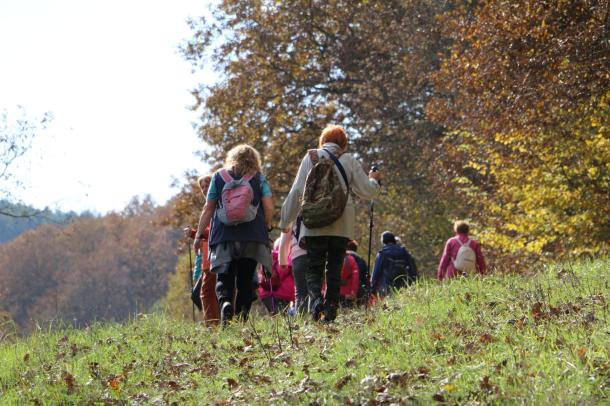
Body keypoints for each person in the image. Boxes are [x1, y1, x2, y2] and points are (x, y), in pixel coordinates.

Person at [279, 125, 381, 322]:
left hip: (314, 222)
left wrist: (285, 220)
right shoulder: (348, 159)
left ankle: (316, 301)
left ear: (322, 141)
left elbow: (297, 191)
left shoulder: (311, 157)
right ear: (343, 143)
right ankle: (331, 311)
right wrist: (374, 180)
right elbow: (368, 191)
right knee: (334, 267)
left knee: (314, 266)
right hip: (341, 222)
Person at [194, 145, 274, 325]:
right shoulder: (259, 178)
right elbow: (268, 205)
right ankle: (241, 320)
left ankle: (226, 304)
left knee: (224, 277)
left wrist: (199, 234)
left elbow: (209, 207)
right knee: (245, 279)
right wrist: (267, 224)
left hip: (224, 236)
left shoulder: (218, 176)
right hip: (252, 237)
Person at [184, 174, 220, 326]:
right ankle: (219, 324)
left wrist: (195, 234)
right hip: (210, 256)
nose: (205, 189)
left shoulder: (214, 206)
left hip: (214, 256)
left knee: (206, 292)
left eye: (207, 185)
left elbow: (214, 230)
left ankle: (212, 326)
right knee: (210, 292)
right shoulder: (214, 206)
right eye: (202, 187)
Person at [371, 231, 418, 298]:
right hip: (403, 286)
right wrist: (414, 282)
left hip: (386, 288)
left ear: (383, 242)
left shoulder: (382, 254)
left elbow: (376, 273)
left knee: (389, 307)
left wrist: (372, 288)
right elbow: (413, 268)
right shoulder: (404, 252)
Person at [279, 218, 309, 314]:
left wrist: (283, 260)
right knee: (315, 288)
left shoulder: (294, 209)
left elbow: (285, 235)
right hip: (317, 254)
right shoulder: (318, 204)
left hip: (299, 254)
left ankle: (302, 319)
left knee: (300, 292)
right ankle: (316, 317)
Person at [259, 238, 295, 314]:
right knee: (281, 316)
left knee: (276, 315)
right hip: (282, 294)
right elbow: (283, 271)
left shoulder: (268, 258)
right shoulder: (286, 258)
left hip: (266, 294)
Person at [345, 240, 370, 306]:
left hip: (343, 290)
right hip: (359, 291)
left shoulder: (343, 257)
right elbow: (366, 277)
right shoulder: (361, 259)